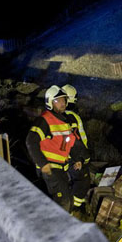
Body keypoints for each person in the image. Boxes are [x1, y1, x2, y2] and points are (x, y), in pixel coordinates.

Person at [25, 85, 90, 216]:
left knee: (66, 200)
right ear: (50, 102)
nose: (62, 103)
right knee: (64, 201)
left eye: (64, 100)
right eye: (58, 101)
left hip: (61, 166)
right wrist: (43, 164)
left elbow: (71, 142)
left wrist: (78, 159)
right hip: (50, 166)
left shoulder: (64, 121)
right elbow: (31, 141)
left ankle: (66, 223)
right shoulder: (45, 120)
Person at [61, 84, 91, 211]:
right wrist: (82, 158)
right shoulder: (71, 117)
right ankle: (73, 210)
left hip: (62, 159)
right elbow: (76, 140)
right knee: (82, 183)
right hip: (73, 158)